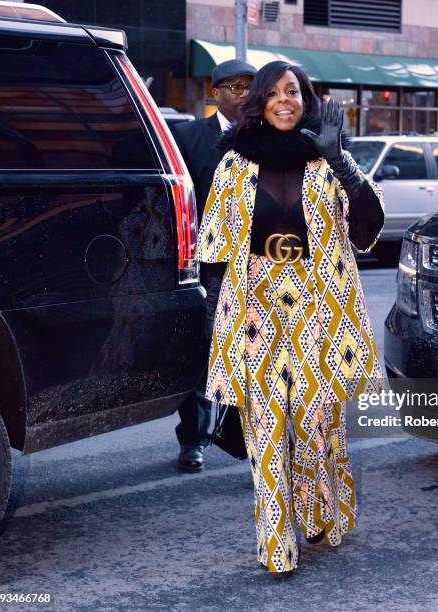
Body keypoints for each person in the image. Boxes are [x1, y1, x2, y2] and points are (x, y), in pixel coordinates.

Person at [196, 61, 385, 573]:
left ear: (307, 100)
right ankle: (276, 545)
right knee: (265, 433)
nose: (285, 100)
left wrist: (341, 161)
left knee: (314, 422)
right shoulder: (233, 164)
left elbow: (368, 227)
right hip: (254, 312)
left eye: (295, 92)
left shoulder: (327, 161)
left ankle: (320, 511)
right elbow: (212, 251)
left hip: (319, 311)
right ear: (259, 101)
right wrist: (219, 323)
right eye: (275, 92)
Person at [172, 58, 256, 472]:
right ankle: (194, 439)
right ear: (214, 92)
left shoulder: (268, 138)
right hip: (208, 267)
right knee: (205, 353)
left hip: (259, 264)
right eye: (236, 87)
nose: (244, 94)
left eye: (250, 87)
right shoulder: (187, 136)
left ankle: (256, 441)